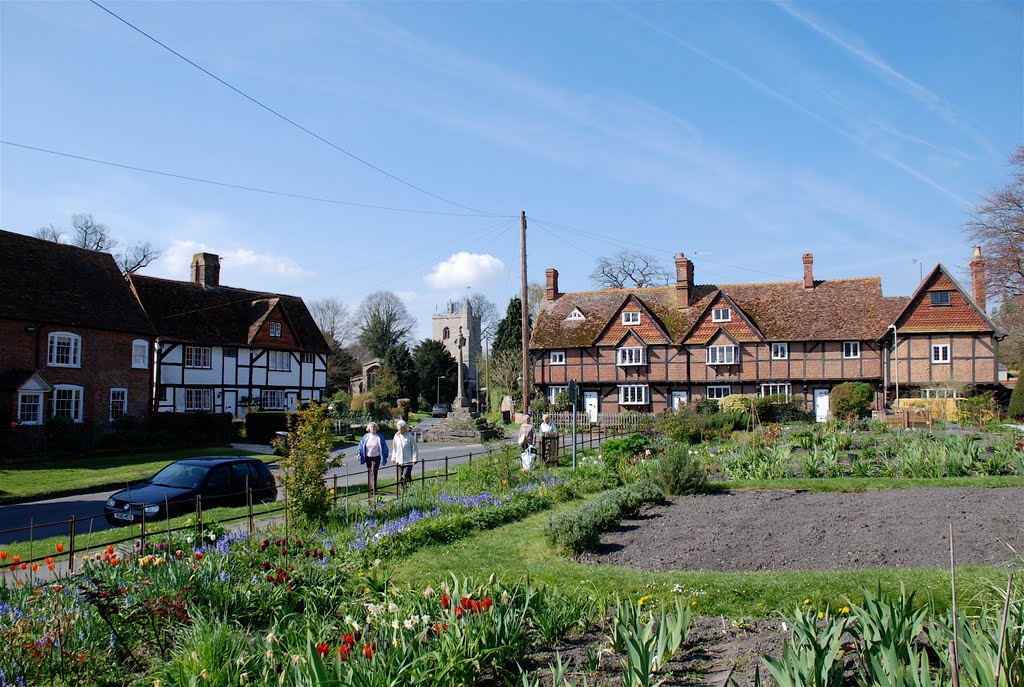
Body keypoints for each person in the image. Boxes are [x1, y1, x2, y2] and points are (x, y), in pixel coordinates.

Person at [356, 422, 388, 497]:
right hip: (368, 457)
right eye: (371, 427)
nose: (373, 428)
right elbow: (361, 446)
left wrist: (385, 455)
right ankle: (371, 488)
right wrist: (358, 454)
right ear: (369, 429)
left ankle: (373, 489)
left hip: (376, 457)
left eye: (374, 427)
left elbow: (384, 447)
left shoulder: (379, 437)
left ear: (376, 428)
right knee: (370, 472)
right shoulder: (366, 437)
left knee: (374, 472)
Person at [392, 419, 418, 486]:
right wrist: (393, 457)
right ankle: (404, 490)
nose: (400, 431)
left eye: (401, 429)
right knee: (399, 477)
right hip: (399, 460)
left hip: (408, 461)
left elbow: (415, 448)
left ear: (405, 428)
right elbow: (394, 447)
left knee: (405, 476)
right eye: (399, 429)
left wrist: (415, 459)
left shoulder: (410, 437)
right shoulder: (396, 436)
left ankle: (407, 489)